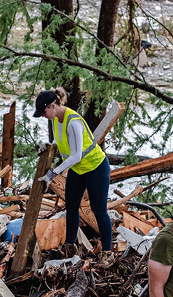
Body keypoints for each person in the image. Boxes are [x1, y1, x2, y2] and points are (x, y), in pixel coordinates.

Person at [34, 88, 114, 253]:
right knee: (71, 206)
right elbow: (62, 142)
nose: (43, 115)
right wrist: (47, 146)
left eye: (43, 112)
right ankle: (70, 246)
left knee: (99, 210)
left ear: (52, 106)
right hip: (78, 170)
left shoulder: (74, 122)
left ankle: (107, 252)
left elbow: (76, 155)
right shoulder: (56, 118)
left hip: (95, 167)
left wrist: (53, 173)